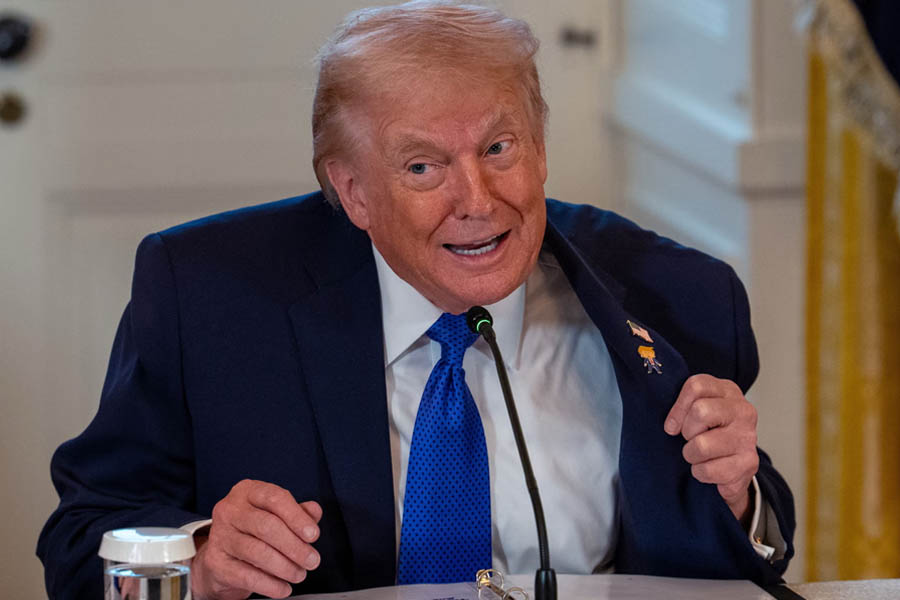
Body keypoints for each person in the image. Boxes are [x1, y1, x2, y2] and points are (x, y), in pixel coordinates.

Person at [37, 2, 795, 599]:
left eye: (500, 149)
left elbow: (754, 544)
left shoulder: (679, 297)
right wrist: (199, 565)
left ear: (539, 141)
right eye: (424, 167)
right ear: (353, 192)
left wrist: (734, 496)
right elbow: (83, 545)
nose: (478, 201)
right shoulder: (207, 297)